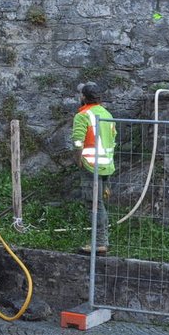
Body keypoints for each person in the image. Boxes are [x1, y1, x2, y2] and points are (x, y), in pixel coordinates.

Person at [72, 81, 116, 255]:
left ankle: (100, 243)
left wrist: (78, 160)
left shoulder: (83, 115)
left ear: (83, 97)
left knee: (94, 204)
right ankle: (101, 241)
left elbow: (78, 141)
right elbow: (112, 138)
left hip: (91, 165)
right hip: (106, 165)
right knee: (100, 204)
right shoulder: (107, 114)